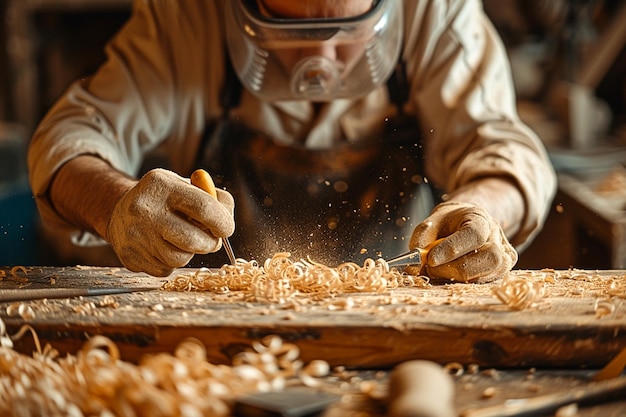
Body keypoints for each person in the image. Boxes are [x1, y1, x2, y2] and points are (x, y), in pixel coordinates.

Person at [28, 0, 556, 283]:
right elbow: (69, 138)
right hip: (219, 324)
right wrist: (114, 203)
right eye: (288, 34)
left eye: (347, 38)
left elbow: (506, 150)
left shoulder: (433, 10)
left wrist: (484, 209)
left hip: (400, 309)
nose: (318, 66)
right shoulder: (185, 15)